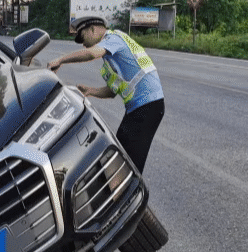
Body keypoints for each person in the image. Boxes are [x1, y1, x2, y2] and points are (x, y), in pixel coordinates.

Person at [48, 16, 165, 172]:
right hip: (140, 107)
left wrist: (60, 60)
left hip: (148, 105)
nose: (83, 44)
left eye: (82, 37)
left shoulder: (113, 38)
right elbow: (112, 92)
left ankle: (131, 194)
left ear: (93, 29)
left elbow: (90, 54)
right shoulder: (110, 55)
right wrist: (90, 91)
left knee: (129, 163)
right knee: (121, 153)